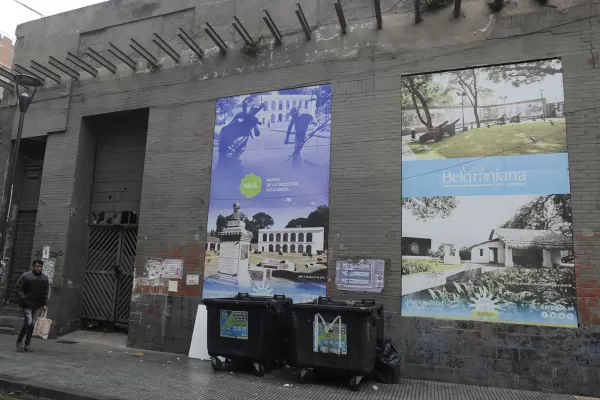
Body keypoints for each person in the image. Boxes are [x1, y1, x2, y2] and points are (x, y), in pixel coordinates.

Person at [15, 260, 49, 352]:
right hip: (27, 303)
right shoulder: (25, 276)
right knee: (28, 322)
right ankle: (19, 341)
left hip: (38, 304)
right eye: (37, 266)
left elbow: (46, 292)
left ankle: (27, 344)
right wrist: (23, 297)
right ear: (33, 266)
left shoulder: (45, 278)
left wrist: (45, 304)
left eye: (41, 266)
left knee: (32, 324)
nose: (39, 268)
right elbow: (18, 288)